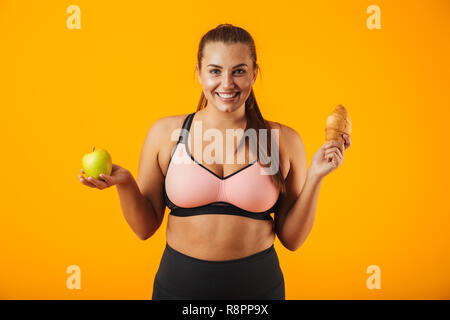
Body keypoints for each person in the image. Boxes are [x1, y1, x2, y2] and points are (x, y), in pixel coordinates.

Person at [78, 24, 351, 300]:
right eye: (215, 71)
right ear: (198, 72)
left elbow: (292, 240)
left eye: (239, 71)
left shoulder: (284, 141)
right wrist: (124, 182)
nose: (227, 83)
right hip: (178, 290)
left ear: (255, 73)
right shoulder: (165, 135)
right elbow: (145, 228)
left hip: (258, 292)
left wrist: (316, 175)